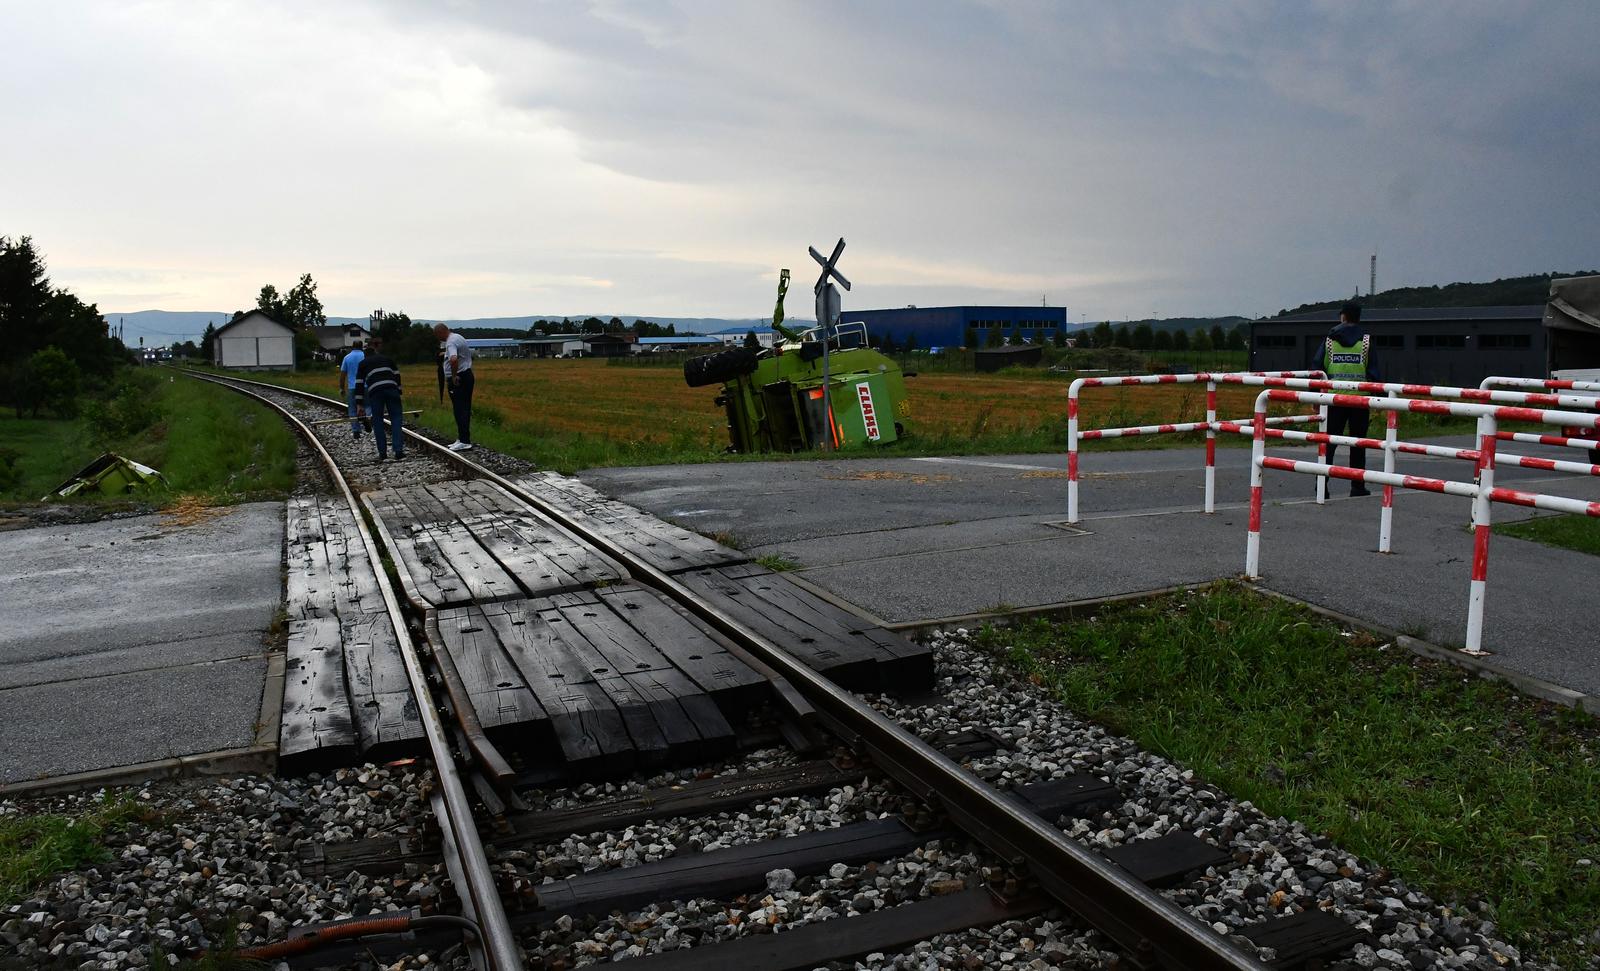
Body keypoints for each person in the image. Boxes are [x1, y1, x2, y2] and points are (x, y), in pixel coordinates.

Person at [1316, 302, 1380, 497]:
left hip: (1334, 399)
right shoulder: (1366, 341)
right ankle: (1357, 485)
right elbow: (1374, 372)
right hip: (1360, 401)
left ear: (1343, 316)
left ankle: (1322, 486)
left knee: (1329, 443)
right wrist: (1379, 399)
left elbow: (1317, 369)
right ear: (1359, 317)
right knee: (1358, 444)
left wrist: (1315, 397)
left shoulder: (1329, 340)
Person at [355, 337, 405, 462]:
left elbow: (359, 383)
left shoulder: (363, 364)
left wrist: (359, 404)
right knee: (396, 418)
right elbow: (397, 375)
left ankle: (383, 453)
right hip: (391, 389)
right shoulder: (388, 359)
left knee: (377, 420)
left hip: (375, 392)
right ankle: (398, 451)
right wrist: (398, 391)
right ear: (376, 348)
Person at [435, 322, 475, 450]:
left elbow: (453, 359)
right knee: (464, 407)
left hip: (459, 378)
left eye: (437, 335)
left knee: (460, 409)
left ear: (441, 332)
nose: (438, 338)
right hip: (467, 375)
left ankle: (464, 440)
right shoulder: (458, 337)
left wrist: (453, 376)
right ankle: (462, 438)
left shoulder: (450, 342)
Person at [337, 342, 366, 439]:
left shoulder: (347, 357)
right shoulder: (365, 356)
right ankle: (368, 420)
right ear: (361, 346)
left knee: (352, 409)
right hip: (365, 385)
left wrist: (341, 388)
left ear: (352, 347)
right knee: (368, 405)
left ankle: (356, 430)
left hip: (352, 387)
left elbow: (342, 375)